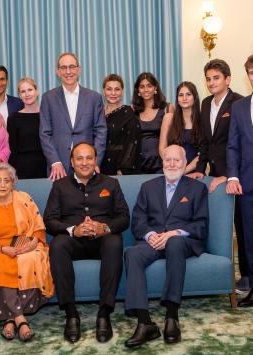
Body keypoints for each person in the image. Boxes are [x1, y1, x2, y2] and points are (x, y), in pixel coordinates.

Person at [44, 142, 129, 343]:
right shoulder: (59, 186)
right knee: (57, 245)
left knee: (115, 241)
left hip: (102, 241)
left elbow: (124, 217)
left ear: (95, 160)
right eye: (79, 158)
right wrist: (74, 230)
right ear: (72, 162)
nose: (85, 162)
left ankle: (104, 313)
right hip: (73, 241)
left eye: (89, 158)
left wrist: (104, 228)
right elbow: (49, 220)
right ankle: (71, 314)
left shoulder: (111, 184)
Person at [124, 145, 208, 348]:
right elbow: (138, 221)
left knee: (175, 242)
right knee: (132, 253)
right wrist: (151, 235)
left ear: (185, 162)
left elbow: (201, 224)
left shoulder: (197, 188)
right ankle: (145, 322)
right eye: (167, 160)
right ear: (162, 163)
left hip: (182, 241)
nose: (171, 164)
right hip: (153, 242)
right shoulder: (148, 187)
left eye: (176, 160)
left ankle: (172, 316)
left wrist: (174, 233)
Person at [0, 163, 54, 340]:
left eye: (6, 181)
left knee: (30, 259)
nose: (2, 185)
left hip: (22, 244)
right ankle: (20, 318)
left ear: (13, 183)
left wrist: (33, 242)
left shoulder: (23, 199)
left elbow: (39, 227)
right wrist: (0, 249)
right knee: (0, 262)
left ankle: (9, 319)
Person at [187, 59, 247, 292]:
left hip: (238, 176)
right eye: (208, 79)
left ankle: (246, 276)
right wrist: (201, 169)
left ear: (228, 80)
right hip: (215, 174)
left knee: (242, 226)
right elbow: (205, 142)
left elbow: (241, 144)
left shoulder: (239, 103)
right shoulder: (204, 104)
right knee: (221, 226)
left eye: (216, 78)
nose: (211, 83)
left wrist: (230, 175)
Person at [40, 52, 107, 180]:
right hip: (58, 168)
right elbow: (45, 133)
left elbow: (101, 132)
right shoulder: (48, 98)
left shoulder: (94, 98)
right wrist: (54, 161)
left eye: (72, 66)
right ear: (58, 71)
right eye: (63, 68)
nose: (68, 71)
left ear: (79, 69)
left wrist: (94, 161)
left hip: (87, 165)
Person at [227, 54, 253, 306]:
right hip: (247, 184)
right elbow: (233, 146)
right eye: (252, 72)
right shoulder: (240, 107)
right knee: (250, 239)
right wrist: (233, 175)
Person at [132, 72, 174, 174]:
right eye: (142, 87)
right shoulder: (133, 111)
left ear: (155, 88)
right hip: (138, 164)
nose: (146, 90)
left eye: (149, 86)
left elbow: (174, 137)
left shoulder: (167, 108)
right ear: (138, 90)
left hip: (161, 163)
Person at [100, 74, 141, 175]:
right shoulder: (98, 113)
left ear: (122, 92)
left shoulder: (129, 113)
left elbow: (132, 144)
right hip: (99, 165)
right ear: (104, 91)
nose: (113, 93)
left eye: (117, 89)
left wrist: (122, 170)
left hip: (119, 168)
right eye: (109, 89)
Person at [7, 77, 47, 179]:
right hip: (22, 170)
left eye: (30, 90)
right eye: (23, 91)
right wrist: (13, 173)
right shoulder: (13, 118)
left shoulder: (47, 115)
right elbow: (12, 149)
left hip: (46, 167)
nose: (27, 94)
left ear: (37, 91)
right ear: (20, 95)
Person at [159, 81, 201, 173]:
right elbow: (162, 148)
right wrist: (172, 166)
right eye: (181, 95)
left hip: (193, 172)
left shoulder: (203, 120)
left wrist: (184, 171)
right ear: (177, 99)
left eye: (188, 94)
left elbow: (203, 154)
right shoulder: (168, 118)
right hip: (171, 170)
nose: (184, 98)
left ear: (195, 97)